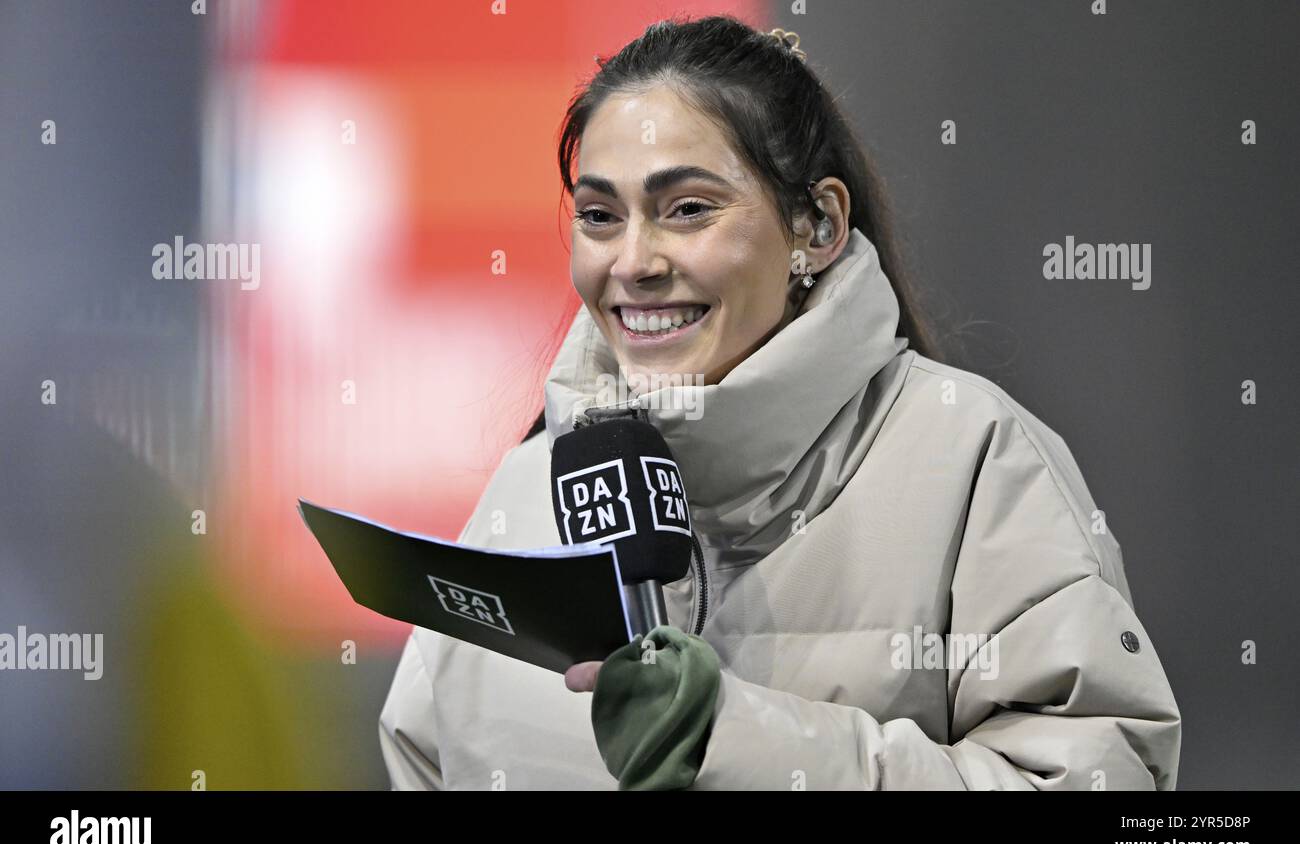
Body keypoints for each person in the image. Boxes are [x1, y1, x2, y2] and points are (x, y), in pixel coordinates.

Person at [378, 15, 1181, 791]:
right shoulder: (523, 495)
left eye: (687, 208)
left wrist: (736, 744)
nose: (632, 261)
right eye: (598, 216)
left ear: (818, 224)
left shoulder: (974, 458)